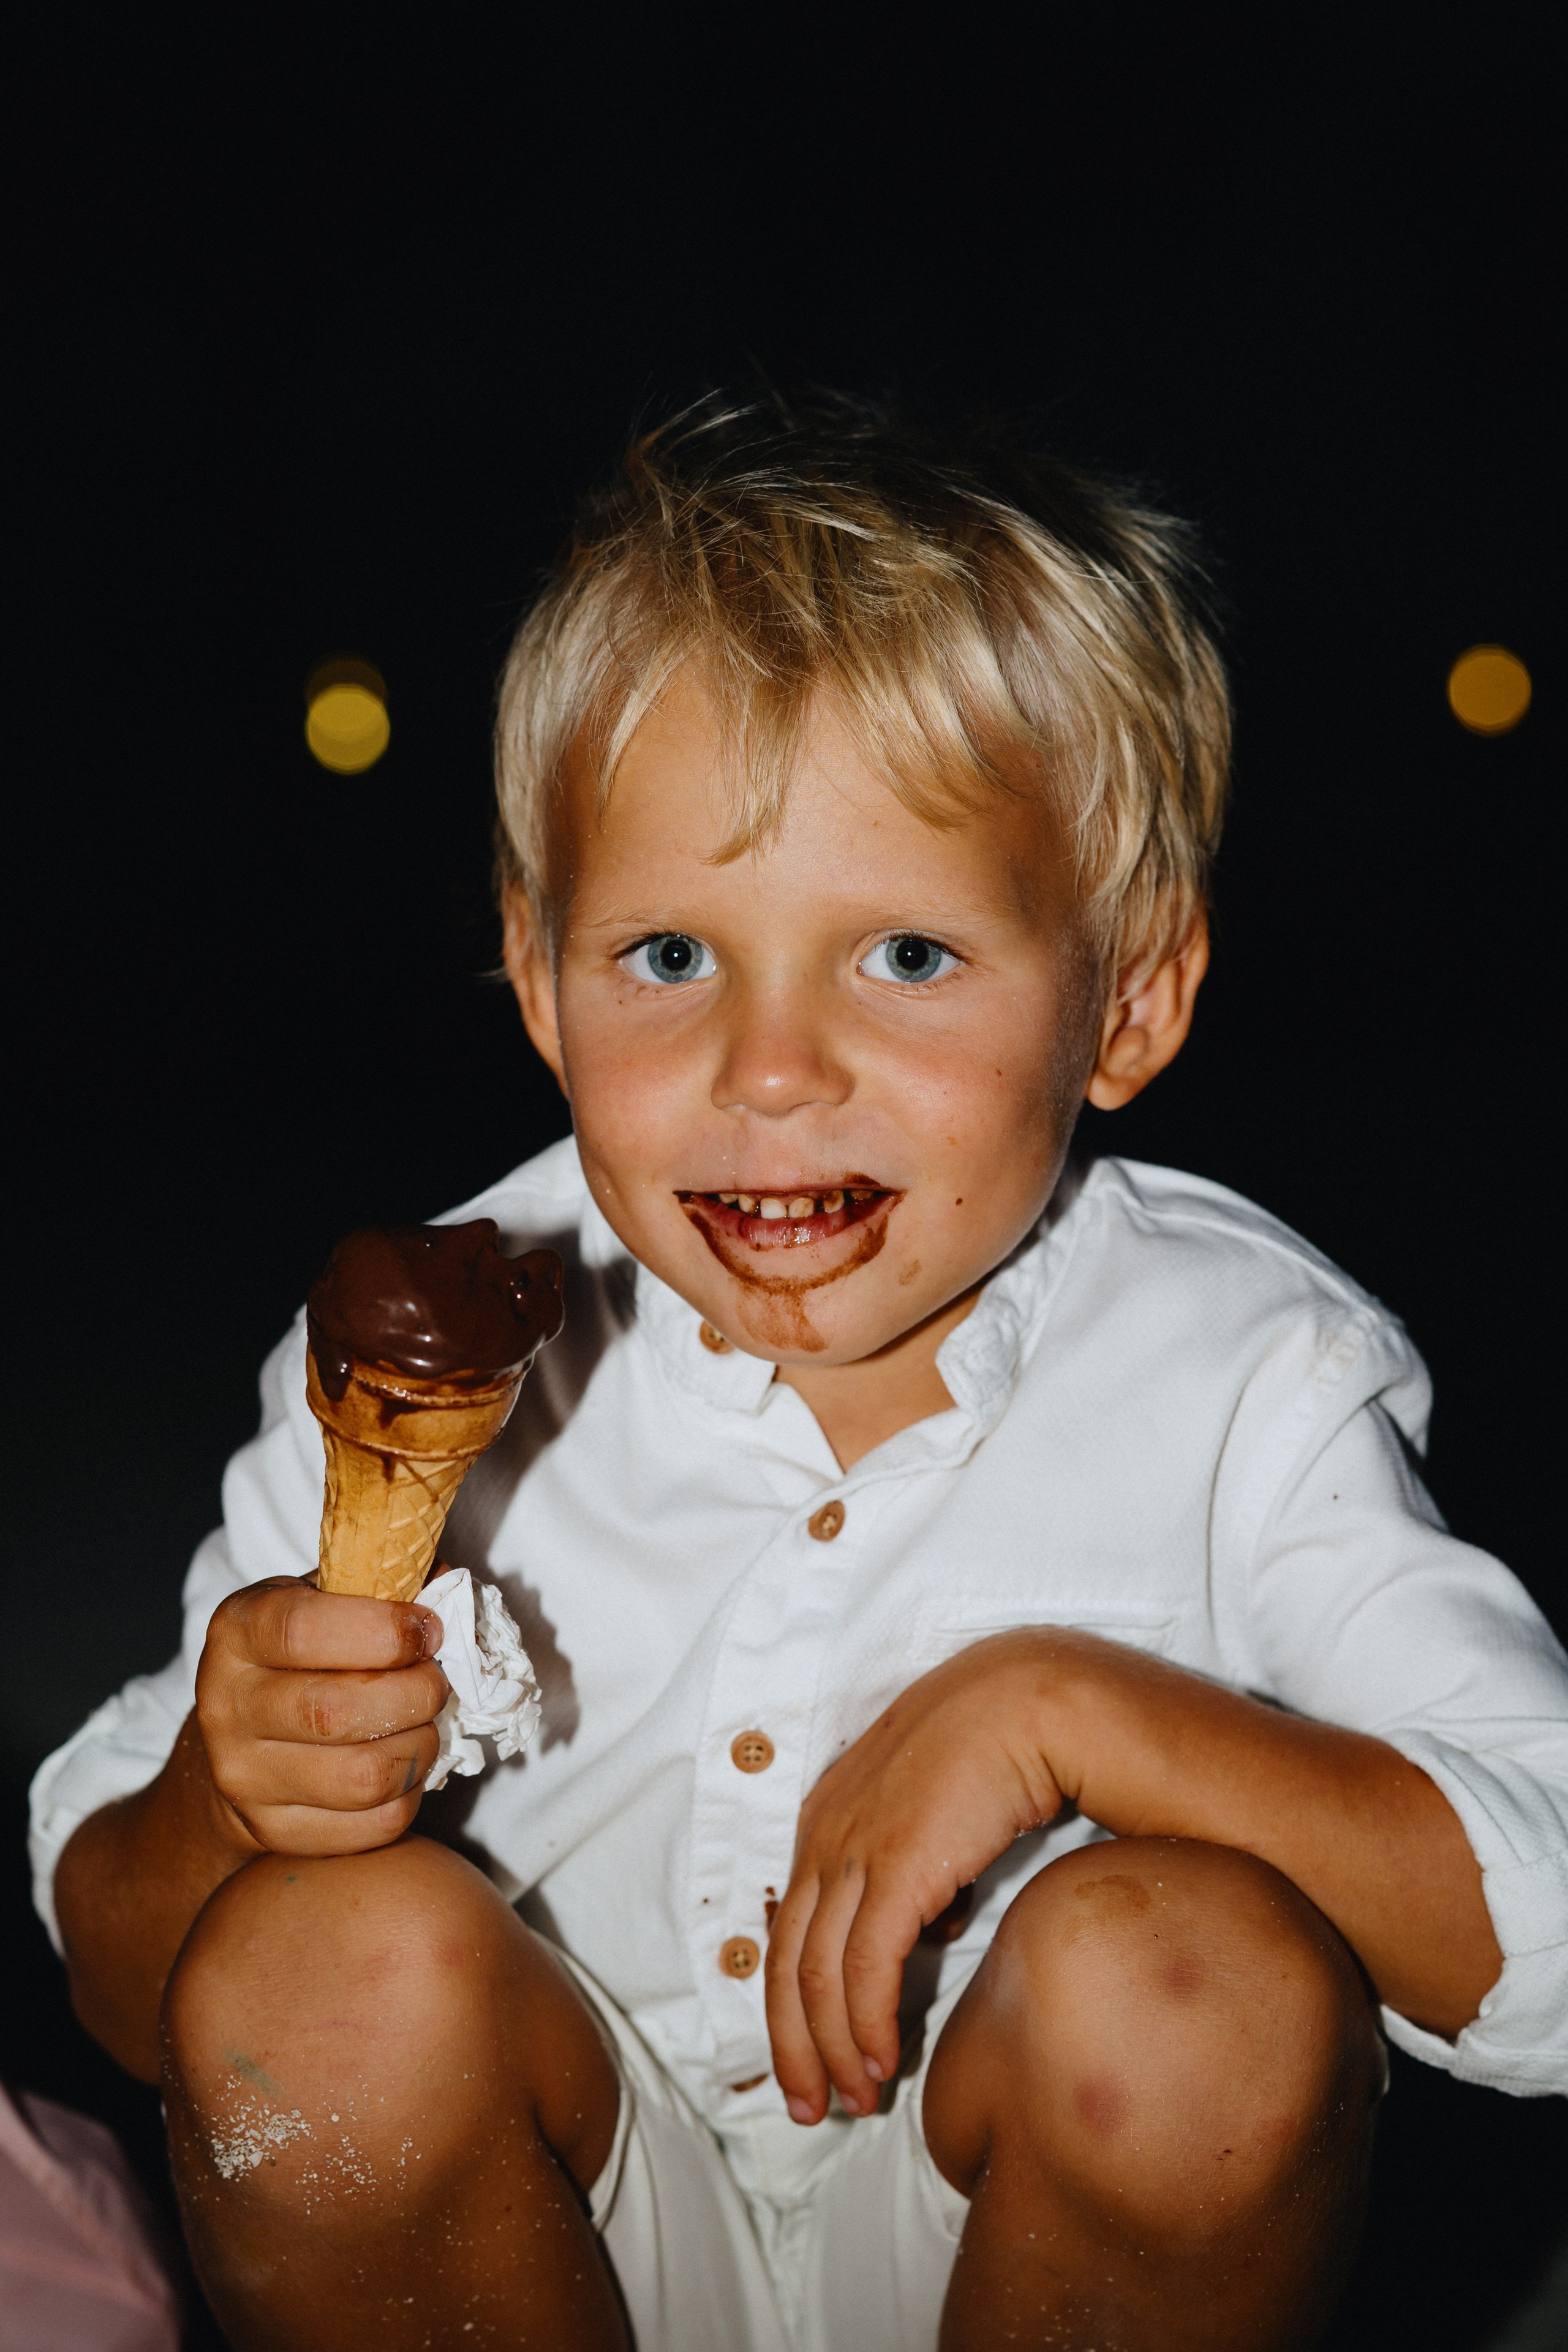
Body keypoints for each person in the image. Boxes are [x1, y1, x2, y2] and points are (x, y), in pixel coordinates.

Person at [31, 395, 1568, 2352]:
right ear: (532, 970)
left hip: (1010, 2227)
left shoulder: (1247, 1377)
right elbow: (130, 1980)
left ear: (1134, 999)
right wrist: (229, 1800)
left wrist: (1079, 1716)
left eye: (908, 956)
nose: (771, 1070)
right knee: (316, 1975)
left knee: (1194, 1982)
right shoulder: (442, 1352)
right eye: (669, 956)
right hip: (547, 2235)